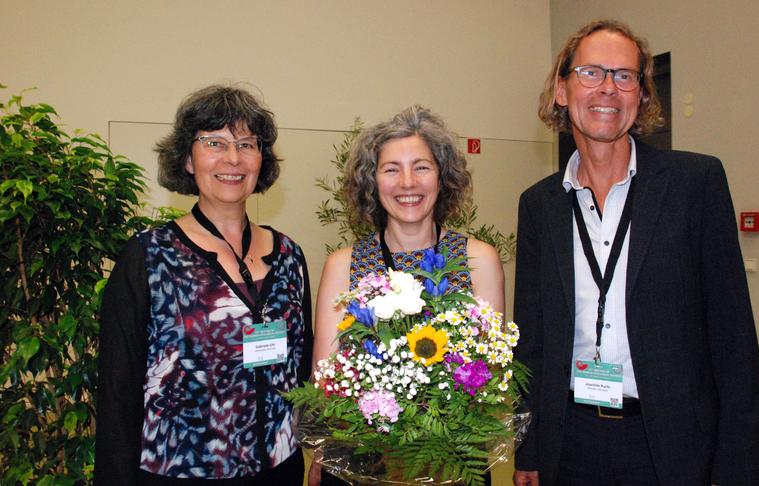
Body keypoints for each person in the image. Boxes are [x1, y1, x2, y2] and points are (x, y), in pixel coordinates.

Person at [513, 19, 759, 486]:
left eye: (625, 76)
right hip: (570, 442)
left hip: (673, 444)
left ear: (643, 95)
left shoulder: (696, 184)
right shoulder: (538, 204)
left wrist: (742, 466)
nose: (608, 88)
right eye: (591, 72)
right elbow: (531, 337)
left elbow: (734, 341)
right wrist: (528, 448)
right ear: (561, 90)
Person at [96, 85, 312, 484]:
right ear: (187, 159)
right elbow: (116, 392)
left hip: (279, 468)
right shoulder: (147, 258)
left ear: (261, 160)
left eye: (247, 144)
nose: (233, 157)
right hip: (180, 471)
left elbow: (301, 372)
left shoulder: (289, 256)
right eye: (214, 142)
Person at [308, 106, 505, 486]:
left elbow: (491, 374)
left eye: (421, 167)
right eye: (391, 169)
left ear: (443, 177)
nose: (407, 183)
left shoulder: (478, 259)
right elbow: (325, 381)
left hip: (451, 461)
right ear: (372, 181)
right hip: (362, 461)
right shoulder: (342, 265)